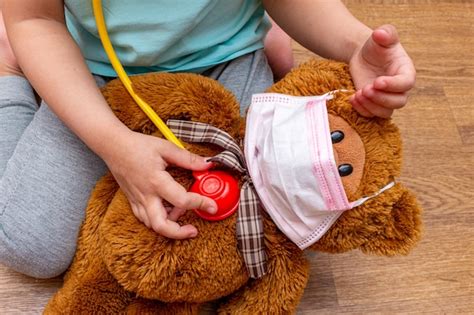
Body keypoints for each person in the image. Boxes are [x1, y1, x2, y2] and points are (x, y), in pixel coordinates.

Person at [0, 0, 415, 279]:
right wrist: (113, 145)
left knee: (273, 229)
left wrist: (353, 45)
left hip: (224, 57)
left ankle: (259, 25)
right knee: (30, 246)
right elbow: (36, 19)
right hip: (87, 67)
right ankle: (9, 70)